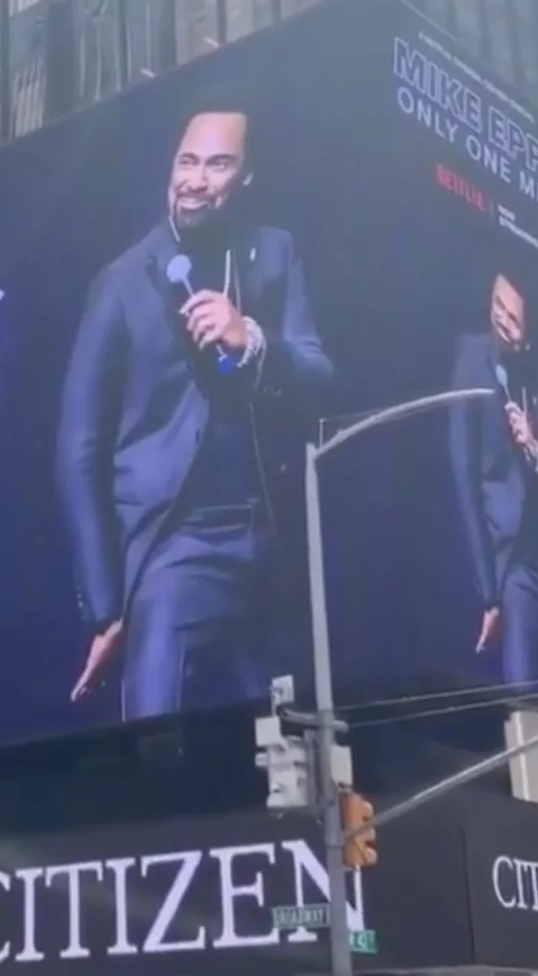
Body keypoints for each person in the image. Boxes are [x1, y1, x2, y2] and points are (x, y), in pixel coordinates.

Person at [56, 95, 333, 721]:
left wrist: (254, 339)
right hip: (172, 545)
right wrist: (106, 605)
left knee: (293, 757)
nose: (196, 180)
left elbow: (321, 376)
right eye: (187, 162)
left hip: (271, 541)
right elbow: (79, 451)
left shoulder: (275, 253)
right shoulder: (122, 282)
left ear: (246, 177)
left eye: (217, 166)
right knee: (158, 742)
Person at [449, 269, 538, 687]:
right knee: (522, 696)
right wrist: (489, 593)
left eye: (514, 317)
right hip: (508, 565)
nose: (501, 318)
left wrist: (534, 452)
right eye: (497, 304)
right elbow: (463, 474)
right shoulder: (471, 357)